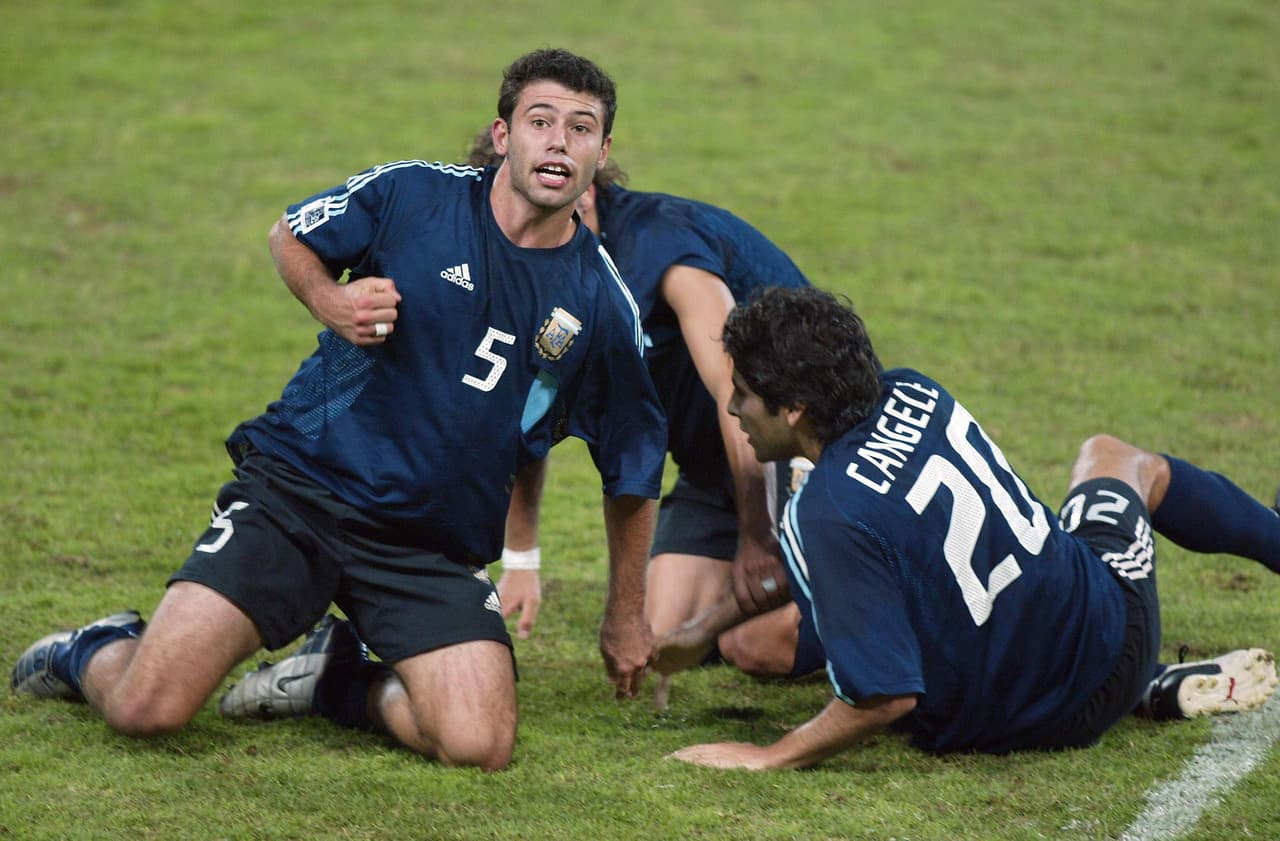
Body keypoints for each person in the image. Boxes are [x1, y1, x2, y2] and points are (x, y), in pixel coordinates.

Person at [11, 48, 668, 772]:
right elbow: (290, 234)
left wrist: (627, 611)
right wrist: (333, 302)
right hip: (302, 493)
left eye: (581, 129)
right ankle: (92, 646)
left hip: (430, 544)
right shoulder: (414, 194)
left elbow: (633, 464)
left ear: (601, 152)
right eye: (540, 121)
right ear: (504, 134)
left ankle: (335, 679)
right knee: (147, 708)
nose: (559, 142)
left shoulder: (602, 304)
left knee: (480, 744)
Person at [658, 287, 1280, 770]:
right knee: (1118, 459)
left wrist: (773, 754)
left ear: (794, 409)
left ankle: (1143, 686)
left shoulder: (824, 510)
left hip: (1033, 709)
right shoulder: (912, 391)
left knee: (774, 645)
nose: (733, 408)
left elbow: (884, 698)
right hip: (1089, 638)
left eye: (742, 394)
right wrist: (706, 630)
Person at [466, 132, 829, 698]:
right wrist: (521, 556)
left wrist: (757, 537)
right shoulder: (531, 276)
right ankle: (791, 585)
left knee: (752, 646)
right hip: (714, 477)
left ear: (590, 182)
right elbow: (532, 407)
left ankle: (871, 599)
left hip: (799, 453)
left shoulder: (660, 246)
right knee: (661, 639)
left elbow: (731, 391)